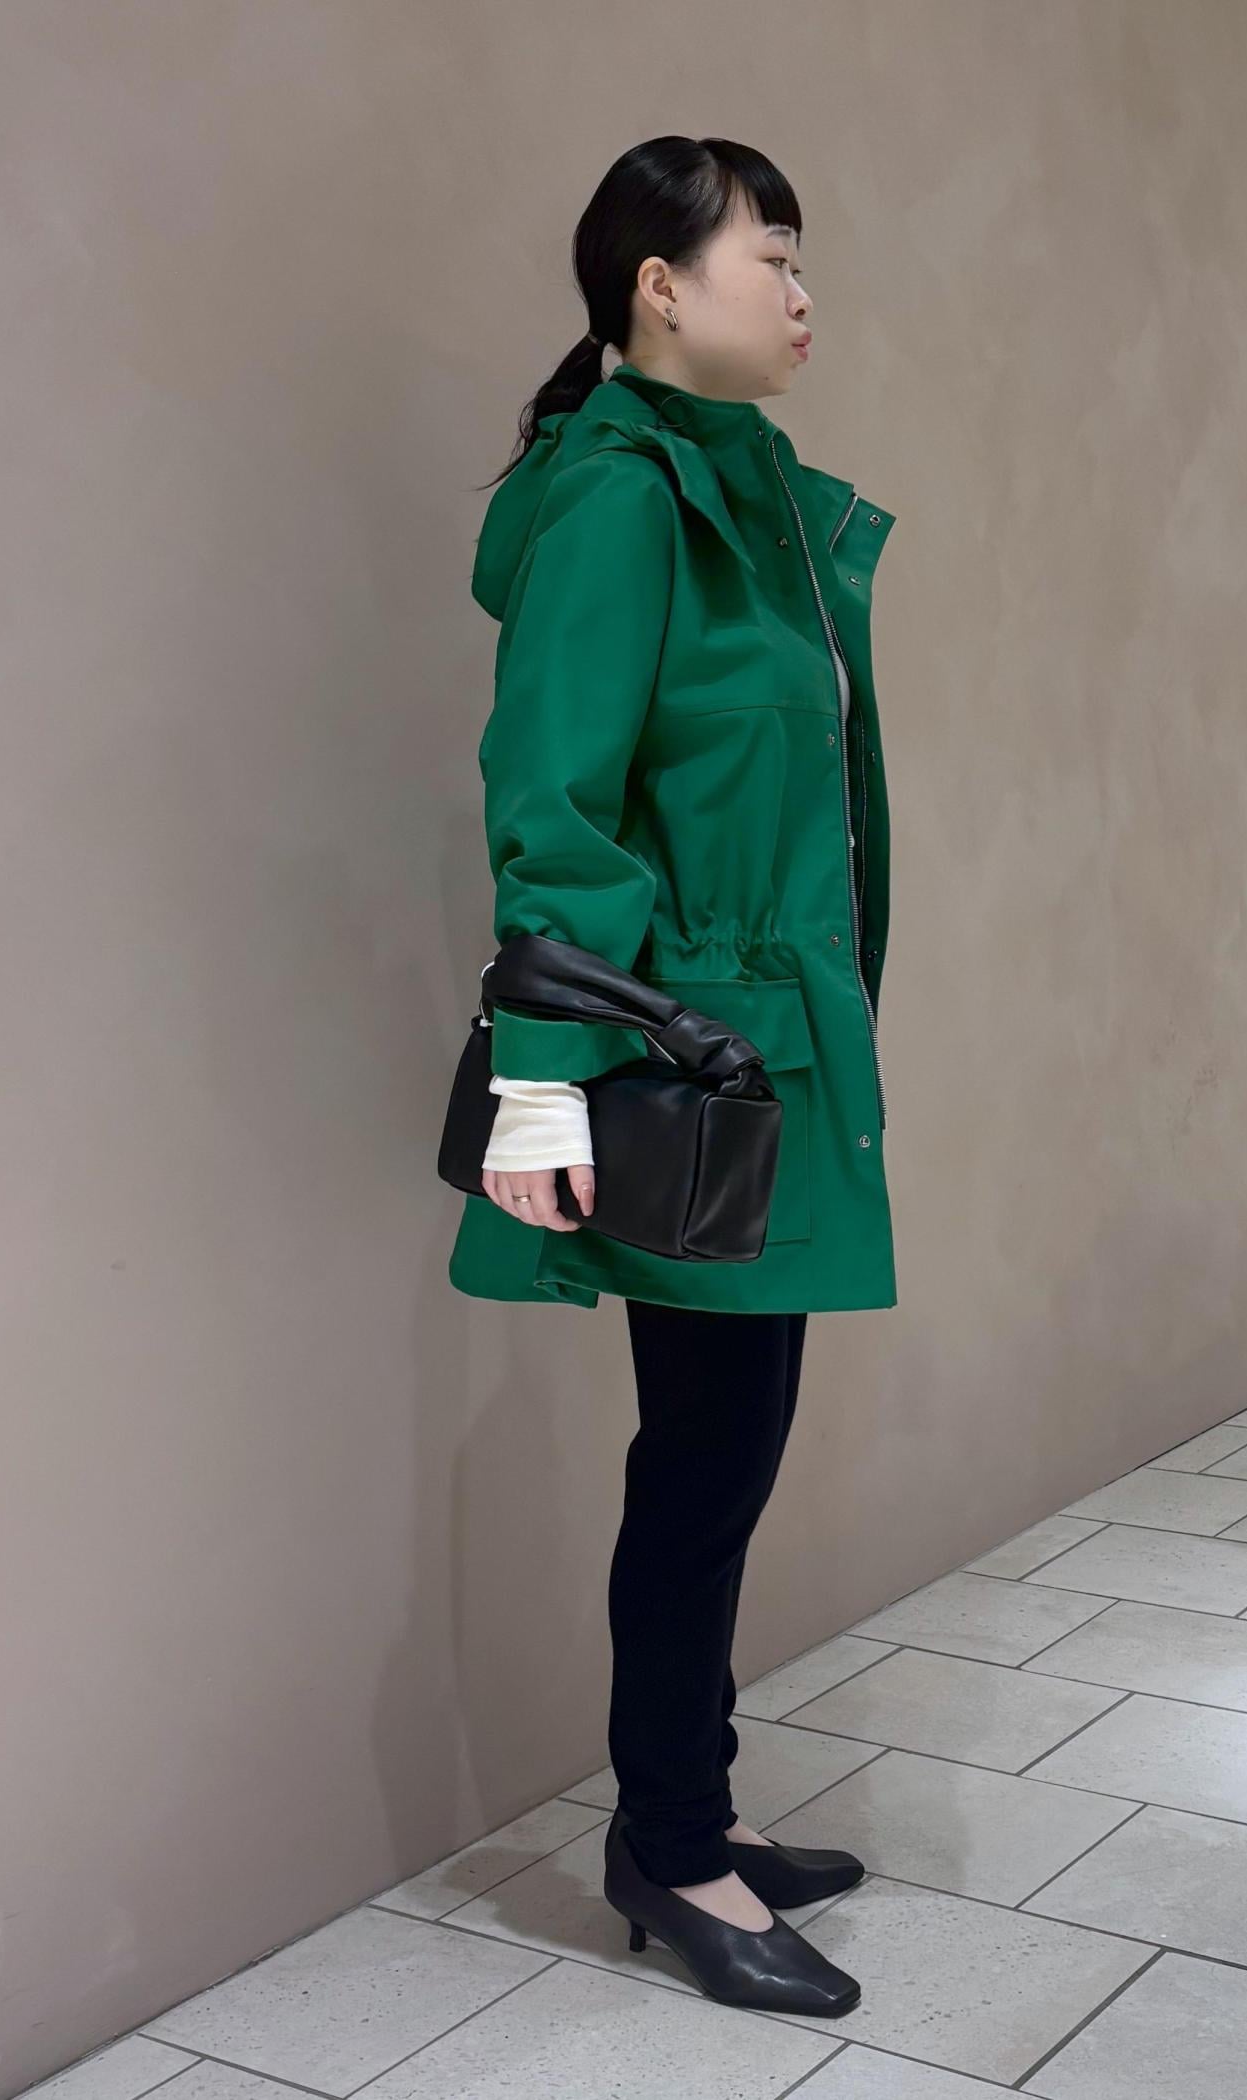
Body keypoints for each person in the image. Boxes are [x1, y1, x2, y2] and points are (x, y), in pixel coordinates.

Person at [450, 135, 900, 2017]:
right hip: (687, 1066)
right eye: (768, 256)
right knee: (706, 1465)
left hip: (762, 1053)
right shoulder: (626, 499)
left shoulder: (744, 492)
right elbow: (553, 805)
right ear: (659, 285)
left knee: (723, 1452)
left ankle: (691, 1806)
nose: (800, 294)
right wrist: (543, 1087)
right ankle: (670, 1846)